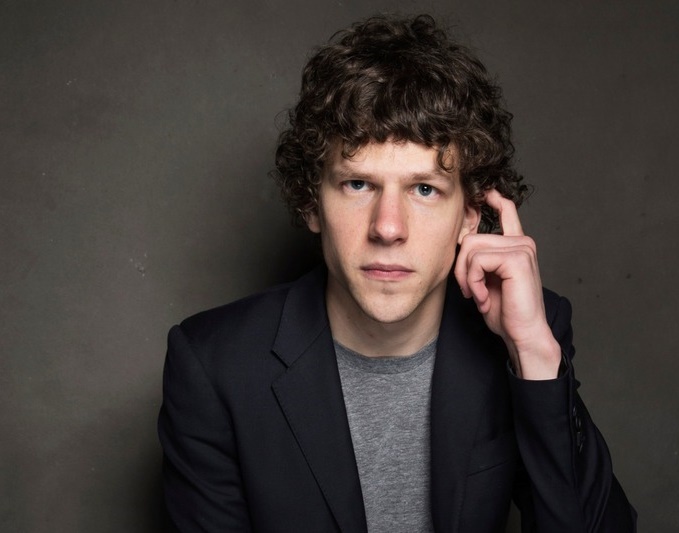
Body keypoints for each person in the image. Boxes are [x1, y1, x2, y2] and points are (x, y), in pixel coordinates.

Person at [158, 14, 637, 532]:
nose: (388, 227)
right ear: (311, 202)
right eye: (358, 184)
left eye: (424, 189)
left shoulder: (528, 335)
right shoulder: (214, 366)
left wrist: (534, 355)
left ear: (470, 215)